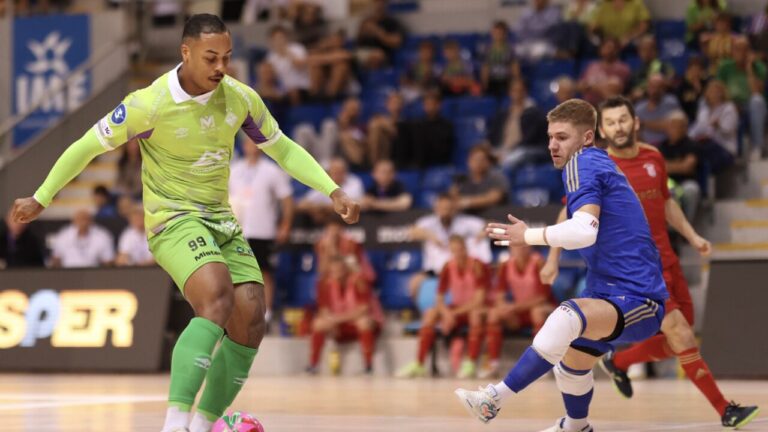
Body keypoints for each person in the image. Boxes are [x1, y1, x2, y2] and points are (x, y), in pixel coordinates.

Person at [10, 14, 360, 432]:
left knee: (251, 318)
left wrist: (332, 189)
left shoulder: (239, 98)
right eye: (211, 57)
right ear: (186, 52)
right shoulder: (150, 103)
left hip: (220, 220)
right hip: (172, 219)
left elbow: (282, 149)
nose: (220, 67)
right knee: (216, 296)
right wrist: (42, 196)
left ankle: (202, 426)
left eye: (227, 57)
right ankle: (174, 425)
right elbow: (85, 146)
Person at [455, 99, 668, 432]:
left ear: (585, 138)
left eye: (562, 137)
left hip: (639, 299)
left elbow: (584, 230)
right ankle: (576, 427)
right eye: (550, 137)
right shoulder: (591, 165)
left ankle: (493, 399)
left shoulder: (583, 163)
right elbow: (573, 217)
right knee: (570, 364)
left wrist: (530, 236)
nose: (553, 145)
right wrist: (550, 254)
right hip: (608, 294)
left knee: (566, 316)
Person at [593, 96, 759, 429]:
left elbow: (667, 203)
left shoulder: (654, 156)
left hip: (668, 259)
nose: (618, 127)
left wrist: (693, 236)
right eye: (610, 122)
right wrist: (554, 254)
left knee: (678, 342)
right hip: (639, 272)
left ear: (636, 122)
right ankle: (726, 410)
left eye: (623, 119)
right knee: (681, 334)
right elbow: (576, 214)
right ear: (601, 129)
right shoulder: (601, 168)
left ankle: (619, 361)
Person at [396, 235, 490, 379]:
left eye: (459, 250)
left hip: (473, 309)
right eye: (453, 251)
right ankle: (419, 363)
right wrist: (446, 313)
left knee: (475, 314)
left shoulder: (477, 266)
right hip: (456, 308)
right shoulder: (448, 266)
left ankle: (470, 363)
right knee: (430, 314)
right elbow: (439, 297)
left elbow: (479, 300)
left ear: (465, 249)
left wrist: (453, 313)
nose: (457, 254)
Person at [229, 137, 294, 322]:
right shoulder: (234, 170)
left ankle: (267, 312)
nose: (253, 147)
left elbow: (287, 199)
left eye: (256, 144)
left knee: (264, 270)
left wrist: (285, 224)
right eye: (249, 143)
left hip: (262, 229)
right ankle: (239, 312)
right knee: (236, 272)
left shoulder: (271, 171)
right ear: (244, 146)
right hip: (237, 230)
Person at [481, 244, 556, 379]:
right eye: (516, 246)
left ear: (530, 248)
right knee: (494, 313)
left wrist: (514, 308)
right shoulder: (505, 265)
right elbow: (499, 296)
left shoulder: (539, 262)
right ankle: (493, 364)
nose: (520, 249)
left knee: (537, 312)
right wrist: (504, 308)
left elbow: (542, 297)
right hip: (520, 311)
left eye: (523, 246)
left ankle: (541, 365)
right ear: (510, 249)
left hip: (544, 308)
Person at [307, 255, 383, 374]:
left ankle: (368, 366)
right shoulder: (324, 283)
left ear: (346, 269)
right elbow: (324, 310)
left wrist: (337, 319)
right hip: (340, 324)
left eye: (340, 270)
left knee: (363, 322)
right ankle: (313, 365)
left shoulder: (359, 280)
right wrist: (331, 321)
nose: (337, 274)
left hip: (358, 322)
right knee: (318, 323)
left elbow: (363, 309)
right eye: (334, 271)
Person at [407, 193, 491, 300]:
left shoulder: (465, 222)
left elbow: (489, 225)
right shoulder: (428, 222)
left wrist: (483, 233)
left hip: (459, 268)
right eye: (442, 208)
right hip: (434, 271)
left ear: (454, 209)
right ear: (436, 208)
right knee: (415, 282)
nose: (445, 212)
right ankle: (422, 312)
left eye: (448, 208)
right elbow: (412, 232)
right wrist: (430, 236)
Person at [716, 37, 767, 158]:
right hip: (730, 103)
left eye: (745, 49)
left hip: (751, 105)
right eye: (738, 49)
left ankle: (757, 147)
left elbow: (756, 92)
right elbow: (719, 90)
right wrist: (732, 103)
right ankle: (727, 150)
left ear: (749, 51)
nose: (742, 53)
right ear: (732, 51)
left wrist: (750, 68)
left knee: (757, 101)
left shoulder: (759, 67)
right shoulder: (725, 67)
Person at [658, 111, 702, 220]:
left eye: (678, 126)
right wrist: (678, 164)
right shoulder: (661, 147)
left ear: (685, 128)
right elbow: (656, 168)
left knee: (691, 190)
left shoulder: (691, 145)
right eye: (671, 126)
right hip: (666, 183)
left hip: (685, 183)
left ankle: (686, 230)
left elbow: (686, 167)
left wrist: (667, 166)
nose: (674, 129)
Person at [298, 157, 364, 222]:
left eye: (340, 172)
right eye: (335, 172)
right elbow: (302, 205)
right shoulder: (324, 183)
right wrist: (316, 208)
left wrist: (324, 208)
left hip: (348, 220)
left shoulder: (353, 182)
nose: (338, 175)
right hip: (325, 220)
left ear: (345, 172)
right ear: (329, 173)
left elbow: (355, 204)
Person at [450, 143, 509, 214]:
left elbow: (493, 198)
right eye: (474, 159)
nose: (478, 163)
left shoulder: (497, 177)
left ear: (488, 162)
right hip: (467, 218)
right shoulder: (461, 179)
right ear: (468, 161)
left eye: (481, 160)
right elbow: (452, 199)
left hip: (494, 216)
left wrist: (466, 202)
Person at [315, 219, 376, 284]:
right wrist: (328, 250)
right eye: (330, 230)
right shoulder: (322, 245)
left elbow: (353, 268)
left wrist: (334, 250)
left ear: (341, 230)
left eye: (336, 230)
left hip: (359, 275)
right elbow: (321, 270)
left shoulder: (351, 244)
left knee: (348, 277)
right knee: (325, 280)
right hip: (337, 279)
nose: (333, 234)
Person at [50, 209, 115, 268]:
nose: (82, 222)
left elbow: (108, 261)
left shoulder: (102, 236)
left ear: (91, 221)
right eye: (79, 219)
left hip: (93, 273)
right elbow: (56, 258)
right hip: (67, 273)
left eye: (85, 219)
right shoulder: (63, 235)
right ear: (73, 221)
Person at [689, 79, 739, 156]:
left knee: (706, 149)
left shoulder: (729, 108)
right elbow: (696, 129)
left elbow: (728, 131)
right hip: (705, 144)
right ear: (707, 94)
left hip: (724, 147)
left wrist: (718, 126)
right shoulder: (703, 111)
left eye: (717, 92)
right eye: (711, 91)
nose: (715, 94)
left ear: (722, 94)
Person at [266, 25, 310, 106]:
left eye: (281, 38)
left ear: (286, 38)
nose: (279, 41)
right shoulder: (271, 57)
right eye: (276, 39)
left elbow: (299, 65)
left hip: (301, 87)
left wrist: (286, 53)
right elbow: (273, 77)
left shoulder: (298, 48)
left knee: (293, 92)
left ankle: (297, 114)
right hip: (283, 89)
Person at [579, 38, 631, 106]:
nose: (609, 51)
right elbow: (581, 84)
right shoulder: (592, 66)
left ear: (617, 50)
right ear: (601, 49)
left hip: (607, 106)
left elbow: (615, 90)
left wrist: (594, 87)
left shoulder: (622, 69)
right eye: (606, 47)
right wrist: (583, 86)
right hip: (588, 105)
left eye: (612, 48)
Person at [635, 74, 682, 146]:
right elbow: (636, 132)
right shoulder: (639, 108)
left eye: (659, 87)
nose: (655, 91)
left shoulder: (671, 102)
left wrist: (643, 123)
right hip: (646, 147)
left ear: (664, 89)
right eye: (652, 87)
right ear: (647, 88)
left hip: (669, 146)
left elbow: (671, 126)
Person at [355, 0, 404, 69]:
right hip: (362, 53)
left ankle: (374, 78)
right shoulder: (366, 21)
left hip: (382, 54)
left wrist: (378, 32)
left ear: (385, 4)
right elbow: (358, 43)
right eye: (376, 2)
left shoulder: (391, 22)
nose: (378, 4)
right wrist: (364, 32)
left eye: (381, 2)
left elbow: (396, 42)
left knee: (377, 55)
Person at [628, 35, 676, 100]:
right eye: (643, 49)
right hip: (642, 104)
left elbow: (670, 82)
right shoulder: (636, 71)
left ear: (656, 51)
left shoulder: (664, 66)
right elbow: (633, 90)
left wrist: (646, 90)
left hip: (661, 100)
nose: (647, 52)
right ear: (639, 52)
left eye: (650, 49)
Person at [480, 21, 520, 97]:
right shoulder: (487, 49)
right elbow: (485, 67)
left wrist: (515, 80)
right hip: (492, 80)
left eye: (500, 33)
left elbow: (514, 65)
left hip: (506, 79)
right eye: (496, 33)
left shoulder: (510, 49)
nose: (498, 35)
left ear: (505, 34)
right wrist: (484, 83)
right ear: (492, 33)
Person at [366, 92, 406, 164]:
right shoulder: (381, 119)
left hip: (397, 149)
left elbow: (397, 133)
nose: (396, 106)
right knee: (375, 127)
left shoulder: (405, 120)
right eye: (393, 103)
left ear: (402, 105)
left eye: (398, 103)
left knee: (376, 125)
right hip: (380, 147)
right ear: (387, 105)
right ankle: (374, 162)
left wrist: (384, 124)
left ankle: (375, 163)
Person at [676, 55, 710, 122]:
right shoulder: (682, 86)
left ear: (702, 72)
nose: (695, 73)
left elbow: (709, 103)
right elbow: (679, 105)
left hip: (705, 118)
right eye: (693, 70)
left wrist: (699, 90)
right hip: (687, 119)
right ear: (688, 71)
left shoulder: (707, 84)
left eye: (698, 70)